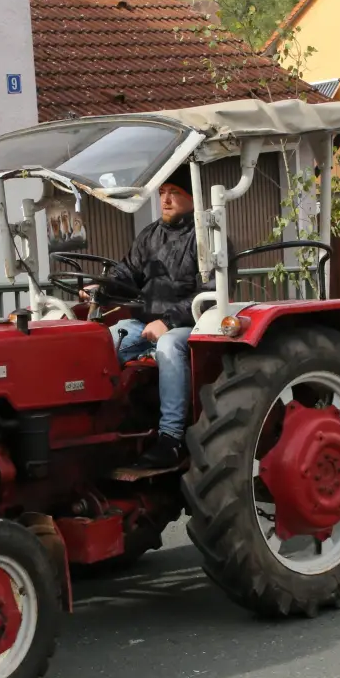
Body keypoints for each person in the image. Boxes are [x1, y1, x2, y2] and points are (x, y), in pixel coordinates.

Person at [83, 164, 211, 469]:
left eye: (175, 193)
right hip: (144, 323)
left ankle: (170, 439)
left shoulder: (206, 236)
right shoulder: (150, 235)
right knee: (103, 341)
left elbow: (209, 292)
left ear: (193, 197)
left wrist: (167, 322)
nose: (165, 200)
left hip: (192, 325)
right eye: (163, 192)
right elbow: (128, 272)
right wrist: (99, 288)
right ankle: (102, 429)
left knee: (169, 346)